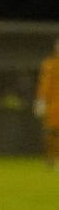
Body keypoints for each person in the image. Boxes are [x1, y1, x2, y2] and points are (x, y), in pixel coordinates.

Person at [35, 38, 59, 169]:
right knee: (51, 133)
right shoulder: (49, 64)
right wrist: (41, 102)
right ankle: (51, 159)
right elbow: (44, 85)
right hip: (53, 105)